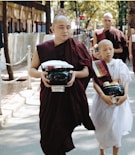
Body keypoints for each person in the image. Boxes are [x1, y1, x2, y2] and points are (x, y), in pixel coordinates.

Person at [28, 15, 95, 154]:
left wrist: (74, 75)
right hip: (49, 97)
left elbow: (86, 71)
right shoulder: (42, 48)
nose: (65, 30)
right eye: (61, 27)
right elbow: (32, 70)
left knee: (62, 132)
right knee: (48, 135)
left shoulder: (77, 46)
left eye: (68, 27)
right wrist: (41, 75)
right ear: (52, 29)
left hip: (69, 97)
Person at [90, 39, 133, 155]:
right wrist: (103, 96)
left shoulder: (119, 64)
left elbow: (126, 81)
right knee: (102, 126)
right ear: (100, 52)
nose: (108, 52)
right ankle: (102, 150)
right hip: (102, 101)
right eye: (105, 49)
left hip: (119, 101)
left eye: (110, 49)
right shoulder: (97, 65)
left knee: (116, 128)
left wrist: (125, 95)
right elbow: (95, 83)